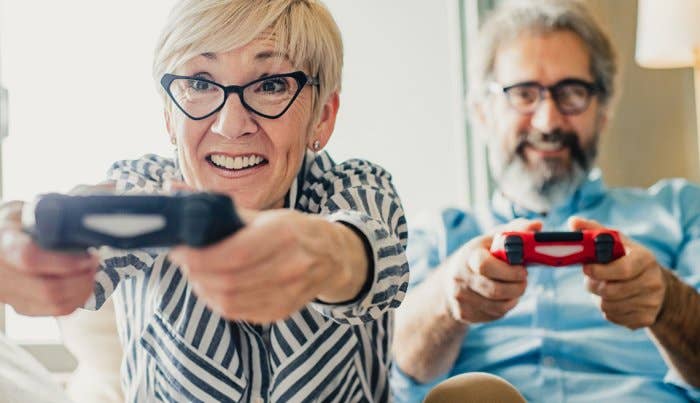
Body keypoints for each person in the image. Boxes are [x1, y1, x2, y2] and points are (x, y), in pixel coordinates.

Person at [0, 1, 409, 401]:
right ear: (168, 116)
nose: (231, 125)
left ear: (322, 116)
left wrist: (328, 255)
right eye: (199, 83)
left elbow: (377, 256)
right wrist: (21, 236)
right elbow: (77, 227)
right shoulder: (146, 187)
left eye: (271, 85)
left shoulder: (354, 186)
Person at [391, 1, 700, 402]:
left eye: (572, 93)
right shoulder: (438, 236)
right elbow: (392, 375)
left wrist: (667, 302)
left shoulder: (679, 212)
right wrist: (448, 301)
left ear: (603, 111)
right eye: (524, 94)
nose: (548, 121)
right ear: (483, 112)